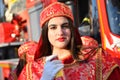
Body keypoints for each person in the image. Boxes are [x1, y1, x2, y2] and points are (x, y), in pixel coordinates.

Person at [18, 2, 120, 80]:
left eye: (65, 26)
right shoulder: (32, 70)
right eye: (53, 27)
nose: (60, 32)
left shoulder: (97, 60)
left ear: (72, 30)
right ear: (46, 33)